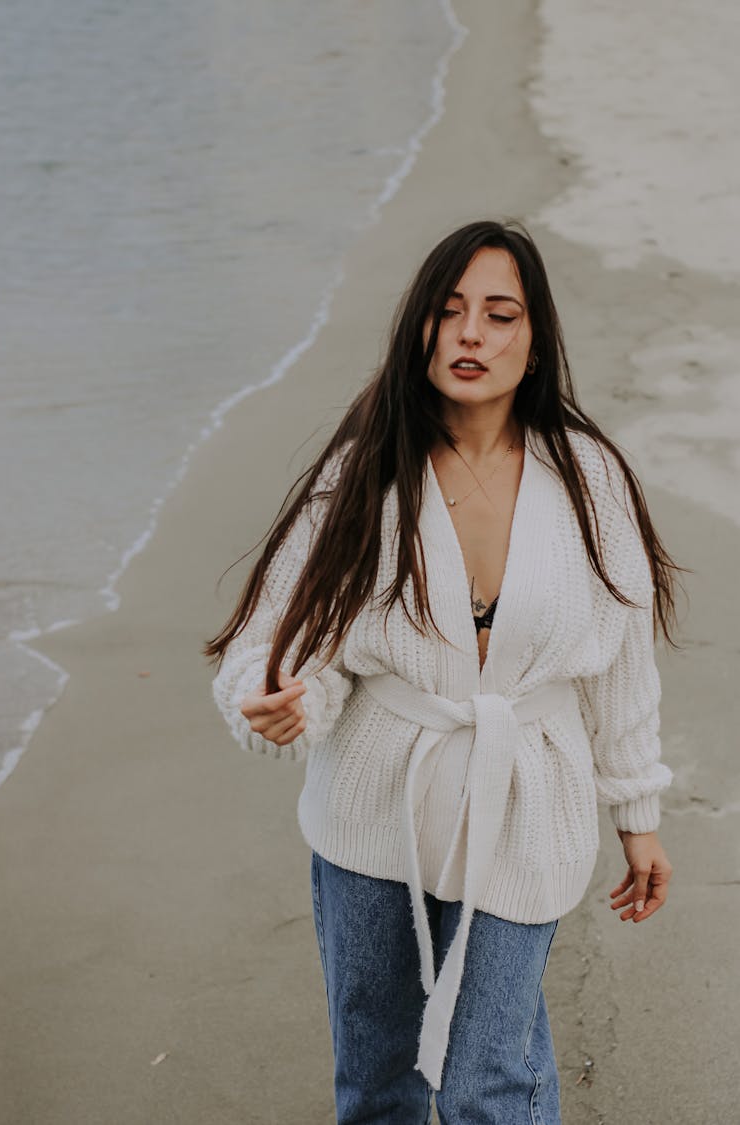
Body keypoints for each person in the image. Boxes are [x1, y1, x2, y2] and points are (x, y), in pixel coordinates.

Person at [206, 220, 676, 1124]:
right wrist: (283, 698)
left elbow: (620, 659)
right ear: (418, 327)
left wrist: (638, 811)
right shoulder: (365, 473)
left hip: (527, 797)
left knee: (486, 1083)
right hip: (377, 800)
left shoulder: (590, 479)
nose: (470, 334)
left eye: (500, 315)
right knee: (378, 1073)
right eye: (448, 311)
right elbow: (293, 639)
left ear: (535, 342)